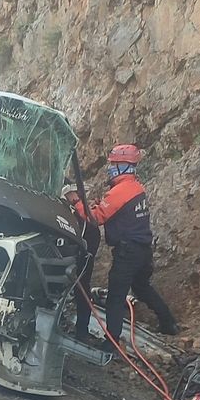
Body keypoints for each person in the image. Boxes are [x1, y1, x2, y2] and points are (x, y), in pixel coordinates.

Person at [73, 144, 178, 354]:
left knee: (115, 297)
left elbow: (96, 219)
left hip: (127, 252)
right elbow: (117, 212)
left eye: (114, 164)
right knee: (142, 288)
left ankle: (111, 343)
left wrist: (76, 202)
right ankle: (169, 323)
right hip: (142, 249)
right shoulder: (136, 188)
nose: (110, 168)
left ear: (124, 166)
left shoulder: (121, 191)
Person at [62, 183, 101, 343]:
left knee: (81, 285)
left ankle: (81, 331)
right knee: (80, 286)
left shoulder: (77, 205)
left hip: (85, 240)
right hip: (74, 236)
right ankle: (80, 330)